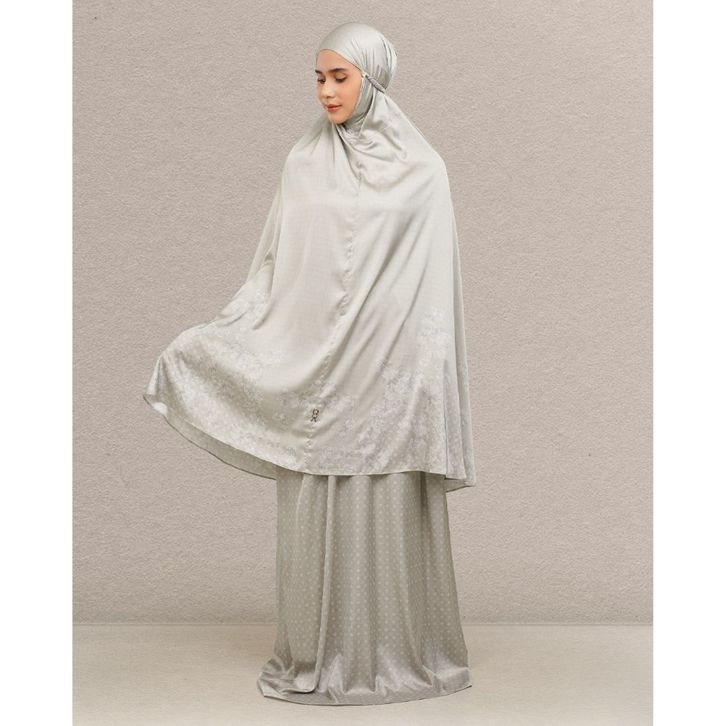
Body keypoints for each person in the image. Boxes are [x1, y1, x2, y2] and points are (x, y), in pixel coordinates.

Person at [143, 21, 477, 705]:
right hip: (318, 370)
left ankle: (395, 654)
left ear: (372, 78)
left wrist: (423, 374)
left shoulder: (424, 172)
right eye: (319, 77)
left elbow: (432, 291)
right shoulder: (302, 161)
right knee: (315, 501)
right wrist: (235, 333)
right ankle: (318, 654)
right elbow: (277, 268)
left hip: (388, 373)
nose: (326, 91)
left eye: (340, 77)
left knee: (384, 500)